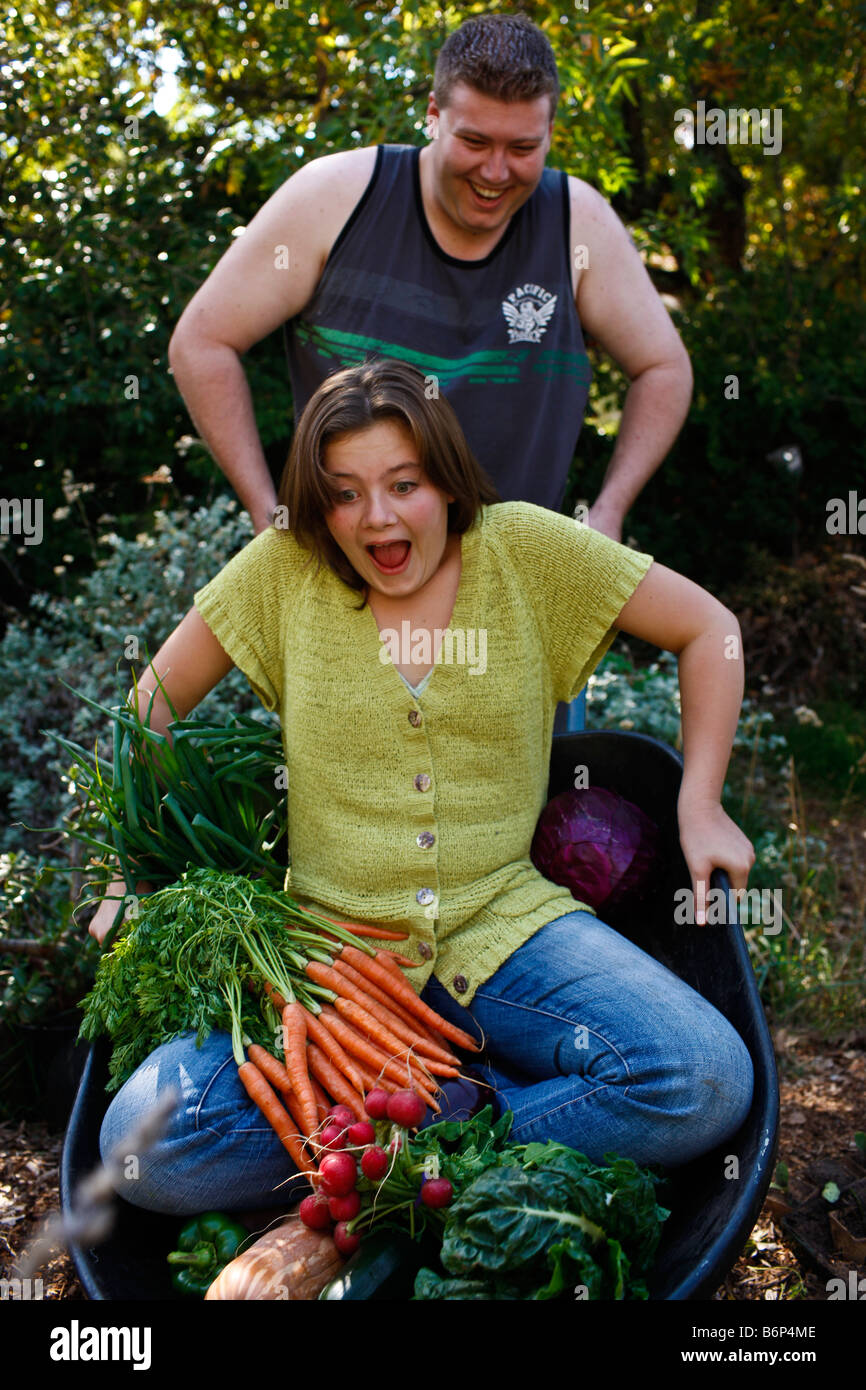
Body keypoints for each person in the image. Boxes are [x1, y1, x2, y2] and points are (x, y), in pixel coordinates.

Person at [91, 358, 753, 1215]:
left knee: (700, 1077)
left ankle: (438, 1138)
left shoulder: (523, 550)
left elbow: (709, 629)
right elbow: (144, 713)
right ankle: (435, 1123)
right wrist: (123, 868)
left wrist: (701, 799)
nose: (378, 517)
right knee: (149, 1145)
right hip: (329, 964)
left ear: (445, 480)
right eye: (344, 494)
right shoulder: (282, 572)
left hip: (506, 925)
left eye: (404, 483)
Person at [167, 12, 692, 542]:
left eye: (522, 149)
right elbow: (203, 341)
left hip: (516, 579)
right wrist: (268, 515)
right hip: (349, 569)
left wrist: (609, 510)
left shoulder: (578, 223)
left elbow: (663, 368)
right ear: (434, 115)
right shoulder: (334, 198)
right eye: (475, 142)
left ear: (550, 132)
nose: (495, 172)